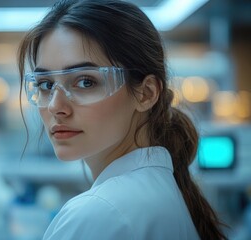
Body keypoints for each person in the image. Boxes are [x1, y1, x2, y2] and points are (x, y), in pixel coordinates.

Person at [18, 0, 227, 239]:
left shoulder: (99, 213)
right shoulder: (158, 193)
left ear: (146, 93)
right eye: (46, 85)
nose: (56, 106)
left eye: (86, 82)